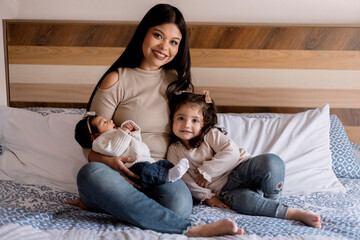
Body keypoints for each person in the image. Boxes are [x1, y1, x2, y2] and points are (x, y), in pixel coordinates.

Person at [66, 3, 244, 237]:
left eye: (173, 42)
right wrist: (111, 164)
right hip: (120, 174)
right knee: (89, 175)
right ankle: (190, 230)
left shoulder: (178, 84)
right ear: (144, 33)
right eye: (158, 35)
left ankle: (109, 205)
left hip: (162, 172)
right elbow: (91, 139)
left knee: (180, 205)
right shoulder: (116, 80)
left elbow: (194, 132)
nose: (164, 47)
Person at [167, 91, 322, 229]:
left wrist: (207, 171)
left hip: (243, 169)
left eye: (194, 120)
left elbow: (231, 152)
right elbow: (183, 179)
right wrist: (207, 196)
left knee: (273, 162)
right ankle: (293, 213)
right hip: (227, 190)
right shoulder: (174, 150)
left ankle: (272, 199)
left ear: (204, 123)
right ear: (171, 119)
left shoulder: (210, 134)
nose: (186, 125)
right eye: (181, 118)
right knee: (247, 204)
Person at [74, 113, 190, 188]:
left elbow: (136, 142)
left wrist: (133, 131)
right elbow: (114, 149)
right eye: (104, 122)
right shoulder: (99, 142)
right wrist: (124, 132)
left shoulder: (117, 132)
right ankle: (168, 177)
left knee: (162, 164)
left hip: (147, 159)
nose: (109, 120)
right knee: (146, 170)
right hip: (133, 166)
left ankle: (170, 171)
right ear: (94, 136)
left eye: (106, 119)